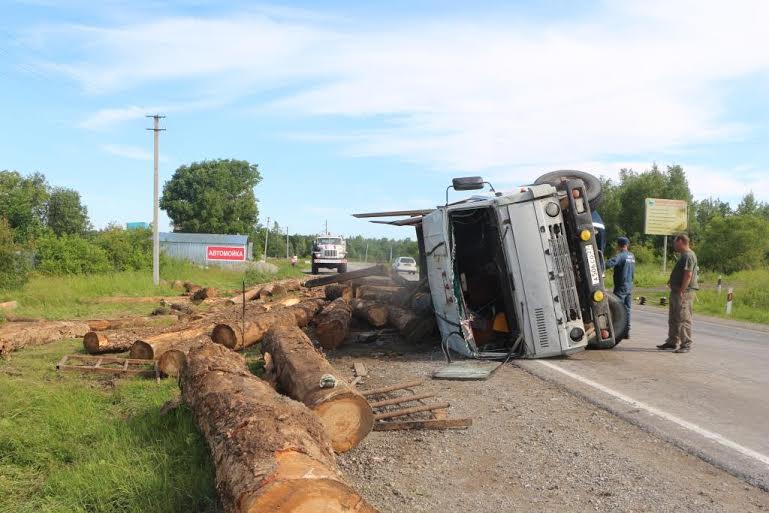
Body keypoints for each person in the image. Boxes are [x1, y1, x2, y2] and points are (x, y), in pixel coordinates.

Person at [657, 234, 699, 353]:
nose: (674, 245)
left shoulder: (688, 256)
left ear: (681, 241)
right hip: (676, 291)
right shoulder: (683, 256)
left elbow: (688, 275)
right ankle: (672, 342)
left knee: (683, 318)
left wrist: (682, 290)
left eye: (675, 242)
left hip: (684, 293)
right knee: (674, 318)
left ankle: (686, 344)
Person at [605, 236, 635, 340]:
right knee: (627, 309)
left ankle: (618, 332)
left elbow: (609, 264)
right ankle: (626, 332)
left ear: (618, 245)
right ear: (627, 245)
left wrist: (598, 265)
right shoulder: (631, 256)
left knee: (617, 310)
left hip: (621, 286)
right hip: (629, 285)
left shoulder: (621, 256)